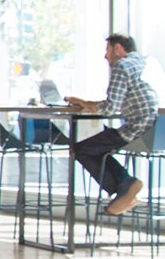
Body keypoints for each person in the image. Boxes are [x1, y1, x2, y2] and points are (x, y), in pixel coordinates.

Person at [65, 34, 159, 215]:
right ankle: (125, 189)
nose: (105, 56)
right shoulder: (147, 63)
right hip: (156, 130)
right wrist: (88, 103)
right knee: (98, 143)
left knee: (80, 149)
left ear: (118, 48)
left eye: (107, 50)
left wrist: (81, 102)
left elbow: (109, 109)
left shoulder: (122, 66)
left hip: (137, 129)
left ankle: (125, 187)